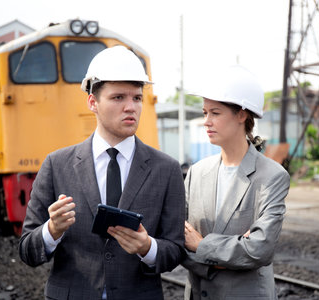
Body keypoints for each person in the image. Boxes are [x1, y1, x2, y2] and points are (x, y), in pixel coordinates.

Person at [19, 46, 186, 300]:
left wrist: (147, 247)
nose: (131, 107)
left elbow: (176, 250)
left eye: (137, 98)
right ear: (92, 102)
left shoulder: (167, 169)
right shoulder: (56, 165)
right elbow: (27, 251)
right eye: (118, 98)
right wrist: (51, 230)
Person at [182, 65, 290, 300]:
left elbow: (259, 249)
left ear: (242, 114)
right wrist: (232, 253)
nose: (206, 121)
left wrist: (201, 246)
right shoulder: (196, 173)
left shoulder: (272, 176)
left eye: (216, 113)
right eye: (204, 113)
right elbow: (178, 238)